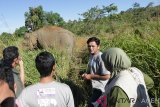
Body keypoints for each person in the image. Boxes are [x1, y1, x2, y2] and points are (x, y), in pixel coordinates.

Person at [82, 37, 110, 107]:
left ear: (98, 47)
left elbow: (107, 76)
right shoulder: (92, 55)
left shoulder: (101, 58)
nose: (90, 48)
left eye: (93, 46)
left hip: (101, 89)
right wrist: (86, 74)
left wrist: (91, 76)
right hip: (94, 87)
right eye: (89, 46)